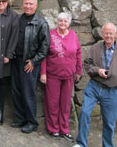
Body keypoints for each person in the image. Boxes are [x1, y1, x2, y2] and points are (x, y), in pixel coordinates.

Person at [73, 23, 117, 147]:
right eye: (106, 33)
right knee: (84, 112)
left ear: (115, 34)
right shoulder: (95, 47)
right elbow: (87, 65)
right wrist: (97, 70)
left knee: (109, 122)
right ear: (102, 34)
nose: (108, 36)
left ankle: (108, 145)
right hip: (94, 86)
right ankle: (81, 143)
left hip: (112, 90)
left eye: (111, 33)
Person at [11, 0, 50, 134]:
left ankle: (32, 122)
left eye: (31, 4)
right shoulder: (19, 19)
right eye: (26, 3)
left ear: (36, 5)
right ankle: (21, 118)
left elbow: (45, 48)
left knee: (28, 92)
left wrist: (34, 61)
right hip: (16, 60)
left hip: (29, 63)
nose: (28, 6)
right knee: (16, 90)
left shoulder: (41, 23)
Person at [40, 12, 82, 142]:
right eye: (60, 21)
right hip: (53, 74)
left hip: (68, 75)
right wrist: (43, 73)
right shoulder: (51, 34)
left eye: (65, 21)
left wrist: (78, 71)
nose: (63, 23)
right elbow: (44, 54)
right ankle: (53, 128)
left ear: (69, 23)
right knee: (52, 103)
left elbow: (78, 53)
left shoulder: (73, 35)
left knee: (65, 104)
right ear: (57, 22)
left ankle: (64, 129)